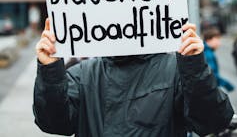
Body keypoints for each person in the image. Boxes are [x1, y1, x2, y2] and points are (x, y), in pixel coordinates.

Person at [33, 19, 234, 137]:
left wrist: (195, 68)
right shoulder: (83, 75)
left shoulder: (176, 70)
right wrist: (50, 69)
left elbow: (213, 120)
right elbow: (53, 123)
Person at [203, 27, 235, 92]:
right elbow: (212, 75)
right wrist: (227, 85)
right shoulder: (208, 54)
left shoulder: (205, 50)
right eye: (217, 39)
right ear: (209, 40)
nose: (219, 43)